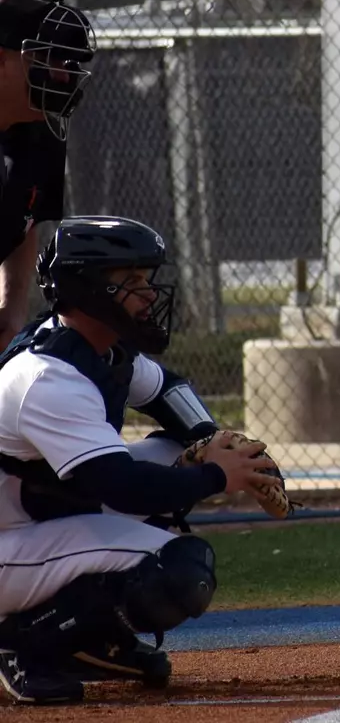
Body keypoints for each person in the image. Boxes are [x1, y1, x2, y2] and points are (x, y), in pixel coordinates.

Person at [0, 216, 277, 704]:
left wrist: (214, 441)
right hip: (7, 546)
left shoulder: (96, 348)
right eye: (130, 282)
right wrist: (218, 474)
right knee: (178, 569)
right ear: (87, 290)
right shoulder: (48, 378)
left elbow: (167, 390)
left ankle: (84, 641)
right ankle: (21, 644)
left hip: (29, 520)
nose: (148, 294)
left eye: (145, 280)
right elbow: (122, 487)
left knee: (176, 453)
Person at [0, 0, 95, 342]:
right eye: (47, 58)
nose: (64, 75)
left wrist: (11, 309)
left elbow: (23, 220)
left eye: (70, 62)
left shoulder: (39, 132)